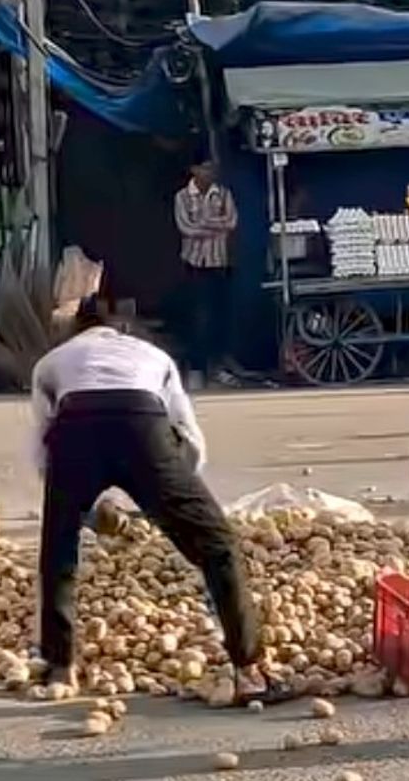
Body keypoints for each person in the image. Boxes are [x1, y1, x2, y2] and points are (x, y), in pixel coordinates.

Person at [30, 298, 280, 701]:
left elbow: (42, 442)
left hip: (75, 431)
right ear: (122, 328)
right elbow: (188, 431)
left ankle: (61, 668)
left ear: (76, 330)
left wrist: (77, 509)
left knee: (58, 553)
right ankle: (249, 671)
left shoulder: (51, 362)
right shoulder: (153, 355)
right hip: (142, 425)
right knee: (219, 546)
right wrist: (180, 496)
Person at [173, 158, 238, 390]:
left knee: (220, 316)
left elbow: (231, 223)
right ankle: (196, 369)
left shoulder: (222, 194)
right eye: (205, 167)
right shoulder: (182, 196)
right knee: (198, 318)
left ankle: (218, 367)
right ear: (194, 169)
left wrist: (203, 224)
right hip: (194, 265)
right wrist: (214, 225)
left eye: (212, 168)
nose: (210, 172)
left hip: (219, 263)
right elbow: (185, 228)